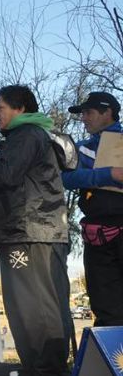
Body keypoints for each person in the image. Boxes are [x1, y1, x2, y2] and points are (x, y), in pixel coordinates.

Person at [0, 84, 71, 376]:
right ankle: (39, 368)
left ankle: (47, 371)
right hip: (28, 233)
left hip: (31, 233)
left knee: (36, 312)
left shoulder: (26, 135)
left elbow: (7, 175)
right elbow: (16, 180)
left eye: (0, 107)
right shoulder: (25, 137)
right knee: (25, 311)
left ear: (20, 109)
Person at [62, 92, 123, 326]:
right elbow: (67, 178)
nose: (83, 118)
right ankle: (113, 361)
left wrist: (92, 177)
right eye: (82, 113)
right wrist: (110, 174)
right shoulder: (82, 148)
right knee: (105, 306)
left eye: (88, 112)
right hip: (97, 235)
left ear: (107, 112)